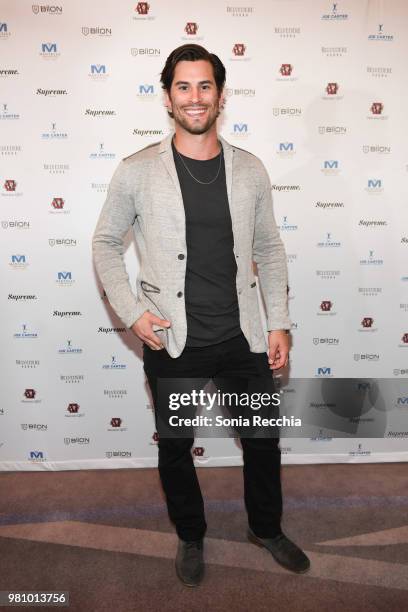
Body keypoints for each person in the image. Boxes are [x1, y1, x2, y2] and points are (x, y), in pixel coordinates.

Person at [92, 44, 310, 586]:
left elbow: (270, 248)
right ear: (168, 97)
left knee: (261, 440)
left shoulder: (250, 169)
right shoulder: (137, 171)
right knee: (175, 446)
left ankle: (266, 527)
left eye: (205, 86)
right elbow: (104, 244)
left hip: (242, 337)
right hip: (173, 339)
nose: (195, 98)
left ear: (220, 94)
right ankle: (191, 535)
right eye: (184, 87)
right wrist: (134, 312)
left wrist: (278, 320)